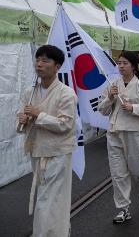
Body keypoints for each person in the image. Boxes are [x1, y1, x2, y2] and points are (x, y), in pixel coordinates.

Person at [17, 45, 77, 236]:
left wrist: (39, 115)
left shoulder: (67, 93)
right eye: (38, 59)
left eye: (45, 60)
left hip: (58, 153)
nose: (39, 64)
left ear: (57, 66)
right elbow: (22, 119)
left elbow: (66, 125)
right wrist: (22, 120)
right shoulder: (30, 91)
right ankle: (61, 231)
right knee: (52, 200)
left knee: (46, 201)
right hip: (37, 150)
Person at [98, 51, 139, 223]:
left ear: (133, 65)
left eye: (125, 63)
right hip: (114, 134)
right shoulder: (112, 85)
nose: (121, 66)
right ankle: (124, 209)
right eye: (119, 63)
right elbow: (102, 110)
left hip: (134, 133)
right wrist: (109, 98)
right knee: (118, 174)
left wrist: (134, 108)